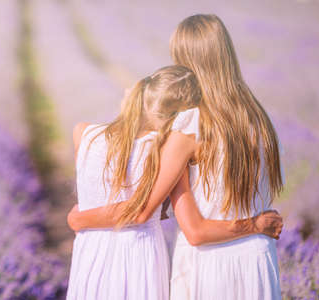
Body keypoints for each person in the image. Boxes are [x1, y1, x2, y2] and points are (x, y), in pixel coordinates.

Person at [66, 65, 283, 300]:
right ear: (179, 118)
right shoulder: (160, 150)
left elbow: (89, 198)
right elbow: (142, 212)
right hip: (139, 253)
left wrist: (78, 218)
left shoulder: (83, 133)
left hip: (89, 250)